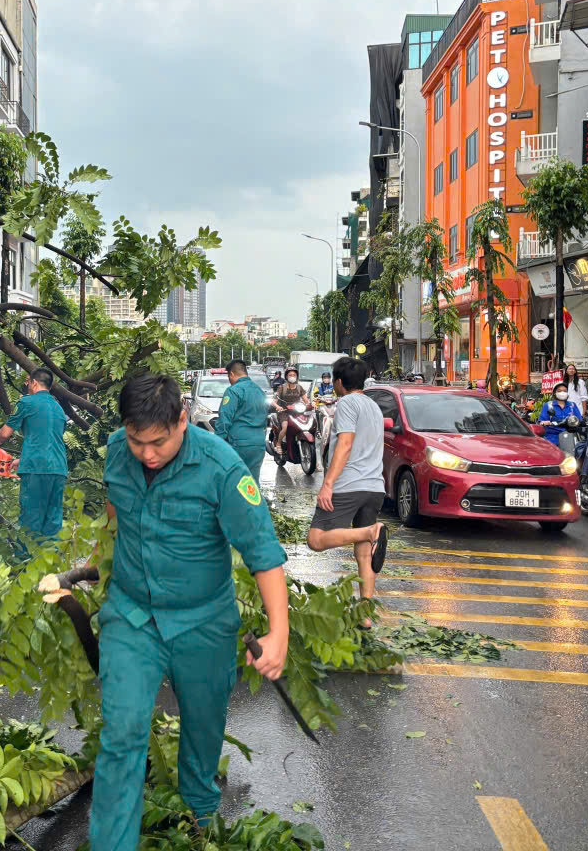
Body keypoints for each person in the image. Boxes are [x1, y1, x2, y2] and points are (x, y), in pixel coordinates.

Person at [88, 374, 288, 851]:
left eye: (158, 442)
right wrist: (97, 559)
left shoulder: (221, 467)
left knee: (203, 727)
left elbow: (262, 550)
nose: (147, 454)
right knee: (122, 734)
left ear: (183, 419)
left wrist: (279, 632)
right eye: (138, 441)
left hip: (204, 623)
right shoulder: (118, 452)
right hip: (133, 617)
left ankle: (200, 815)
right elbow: (118, 510)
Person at [307, 357, 388, 627]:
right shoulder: (374, 407)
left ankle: (370, 532)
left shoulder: (347, 403)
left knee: (316, 539)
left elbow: (345, 444)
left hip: (349, 485)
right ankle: (364, 615)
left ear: (339, 382)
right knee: (363, 554)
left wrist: (327, 483)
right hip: (375, 487)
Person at [0, 368, 68, 550]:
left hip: (36, 469)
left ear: (34, 383)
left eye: (28, 384)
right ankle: (51, 567)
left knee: (30, 520)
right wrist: (22, 460)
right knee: (53, 520)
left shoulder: (27, 402)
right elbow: (47, 439)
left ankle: (25, 567)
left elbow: (4, 434)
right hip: (58, 469)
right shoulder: (58, 409)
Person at [214, 359, 268, 477]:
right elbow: (265, 416)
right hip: (258, 443)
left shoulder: (233, 391)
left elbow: (224, 419)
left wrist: (217, 443)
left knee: (234, 482)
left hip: (239, 443)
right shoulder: (259, 391)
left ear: (232, 374)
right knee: (252, 483)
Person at [270, 367, 308, 455]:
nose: (292, 377)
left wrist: (310, 405)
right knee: (285, 427)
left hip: (297, 412)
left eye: (294, 375)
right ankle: (279, 443)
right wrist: (278, 406)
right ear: (286, 377)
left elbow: (306, 400)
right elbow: (273, 401)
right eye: (290, 375)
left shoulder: (299, 387)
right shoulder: (281, 388)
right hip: (284, 412)